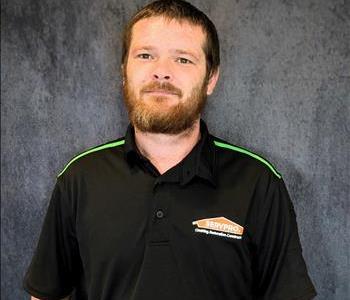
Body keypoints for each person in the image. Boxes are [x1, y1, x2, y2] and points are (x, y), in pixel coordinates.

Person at [23, 0, 317, 299]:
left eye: (183, 60)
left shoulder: (259, 183)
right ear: (125, 70)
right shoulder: (80, 178)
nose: (161, 72)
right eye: (146, 55)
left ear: (210, 79)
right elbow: (47, 294)